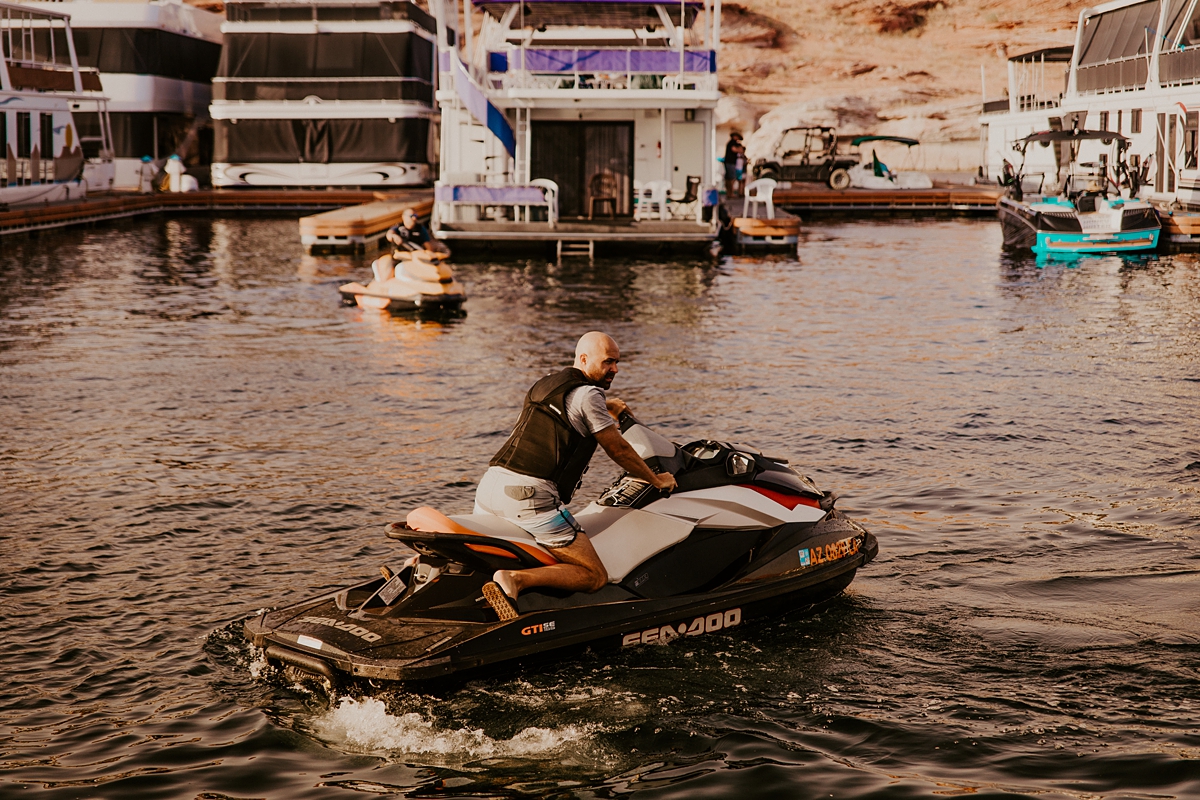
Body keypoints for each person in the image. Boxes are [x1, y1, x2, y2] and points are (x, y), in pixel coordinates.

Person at [475, 332, 677, 619]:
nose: (615, 370)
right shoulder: (590, 394)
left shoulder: (544, 383)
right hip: (530, 497)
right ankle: (515, 581)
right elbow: (617, 449)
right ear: (583, 359)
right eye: (608, 362)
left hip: (491, 485)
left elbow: (566, 410)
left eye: (617, 363)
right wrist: (656, 480)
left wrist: (607, 407)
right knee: (594, 575)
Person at [724, 132, 745, 197]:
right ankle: (731, 193)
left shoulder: (732, 143)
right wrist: (739, 149)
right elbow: (735, 149)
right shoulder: (732, 143)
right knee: (731, 178)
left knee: (729, 178)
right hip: (731, 162)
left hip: (729, 162)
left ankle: (729, 193)